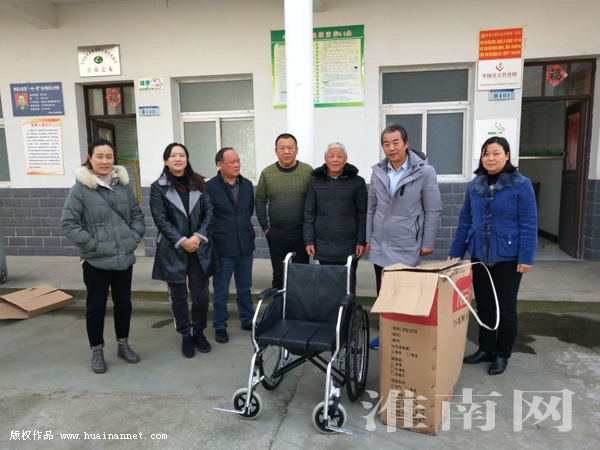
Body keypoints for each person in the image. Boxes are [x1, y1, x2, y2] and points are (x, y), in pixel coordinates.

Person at [448, 136, 537, 376]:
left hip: (508, 256)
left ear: (507, 155)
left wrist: (526, 257)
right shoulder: (475, 185)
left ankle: (502, 354)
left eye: (496, 153)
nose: (490, 158)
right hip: (479, 254)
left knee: (506, 308)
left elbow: (529, 223)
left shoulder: (521, 184)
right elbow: (465, 220)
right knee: (485, 304)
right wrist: (456, 252)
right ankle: (485, 349)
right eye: (486, 153)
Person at [61, 138, 146, 374]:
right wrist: (92, 245)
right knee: (96, 307)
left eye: (109, 156)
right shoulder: (80, 189)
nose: (105, 161)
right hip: (96, 260)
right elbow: (68, 223)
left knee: (123, 304)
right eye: (99, 156)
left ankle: (123, 344)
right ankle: (97, 350)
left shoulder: (123, 186)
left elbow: (137, 215)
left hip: (123, 258)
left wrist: (133, 238)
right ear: (90, 158)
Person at [366, 124, 442, 349]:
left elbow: (433, 209)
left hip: (407, 241)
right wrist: (368, 237)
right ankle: (386, 334)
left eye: (395, 142)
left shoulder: (424, 172)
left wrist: (428, 241)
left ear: (406, 144)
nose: (391, 148)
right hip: (381, 241)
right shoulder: (378, 172)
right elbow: (371, 207)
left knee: (406, 293)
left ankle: (405, 335)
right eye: (386, 144)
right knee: (384, 292)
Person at [150, 143, 220, 358]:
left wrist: (197, 237)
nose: (178, 159)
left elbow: (209, 212)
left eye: (182, 155)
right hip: (173, 249)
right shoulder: (158, 187)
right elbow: (160, 219)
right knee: (178, 296)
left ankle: (199, 332)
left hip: (199, 248)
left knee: (200, 295)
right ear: (166, 161)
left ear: (187, 159)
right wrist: (182, 241)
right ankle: (185, 334)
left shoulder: (199, 183)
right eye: (173, 156)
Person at [206, 147, 255, 344]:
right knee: (221, 290)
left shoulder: (247, 185)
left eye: (238, 161)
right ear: (220, 165)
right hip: (222, 246)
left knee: (245, 287)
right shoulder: (210, 187)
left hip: (245, 244)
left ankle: (247, 319)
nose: (236, 165)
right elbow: (207, 216)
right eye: (231, 162)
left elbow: (248, 211)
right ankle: (220, 325)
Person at [304, 142, 367, 293]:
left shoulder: (357, 182)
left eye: (339, 156)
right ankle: (328, 309)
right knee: (326, 287)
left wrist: (361, 241)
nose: (335, 160)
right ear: (325, 159)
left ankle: (348, 309)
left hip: (348, 244)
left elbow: (362, 214)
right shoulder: (315, 182)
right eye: (331, 156)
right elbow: (309, 214)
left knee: (348, 286)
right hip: (323, 243)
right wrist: (309, 240)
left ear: (346, 159)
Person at [255, 133, 313, 290]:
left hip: (301, 233)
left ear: (296, 150)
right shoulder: (267, 173)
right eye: (282, 148)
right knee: (279, 273)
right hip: (276, 233)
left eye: (290, 148)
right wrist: (266, 228)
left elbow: (315, 202)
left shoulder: (308, 171)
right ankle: (279, 303)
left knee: (302, 273)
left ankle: (300, 304)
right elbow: (260, 200)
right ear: (276, 151)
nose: (286, 151)